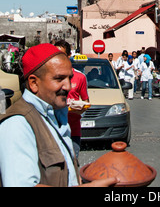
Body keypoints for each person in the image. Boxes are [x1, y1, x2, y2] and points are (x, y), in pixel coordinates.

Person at [0, 43, 117, 187]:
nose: (68, 86)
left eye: (69, 78)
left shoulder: (55, 115)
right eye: (59, 79)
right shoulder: (17, 124)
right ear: (34, 83)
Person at [55, 40, 90, 158]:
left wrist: (76, 108)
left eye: (62, 55)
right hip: (53, 130)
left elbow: (86, 102)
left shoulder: (80, 77)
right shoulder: (48, 79)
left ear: (69, 56)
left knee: (73, 164)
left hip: (73, 130)